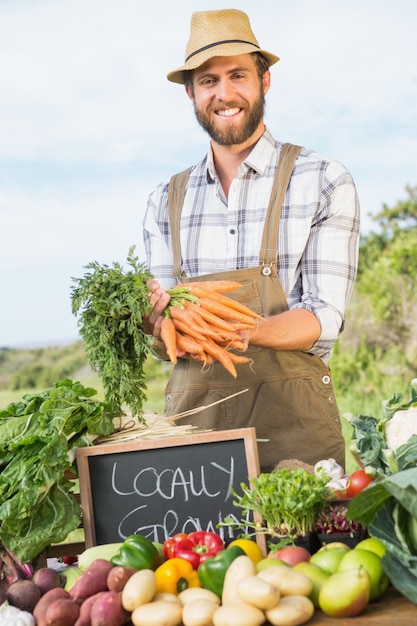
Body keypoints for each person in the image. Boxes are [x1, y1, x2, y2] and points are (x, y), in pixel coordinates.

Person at [142, 9, 360, 473]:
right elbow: (166, 343)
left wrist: (241, 331)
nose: (224, 94)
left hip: (296, 436)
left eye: (238, 75)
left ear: (264, 80)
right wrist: (153, 321)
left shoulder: (322, 179)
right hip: (196, 448)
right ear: (190, 92)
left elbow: (324, 316)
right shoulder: (165, 200)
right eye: (208, 81)